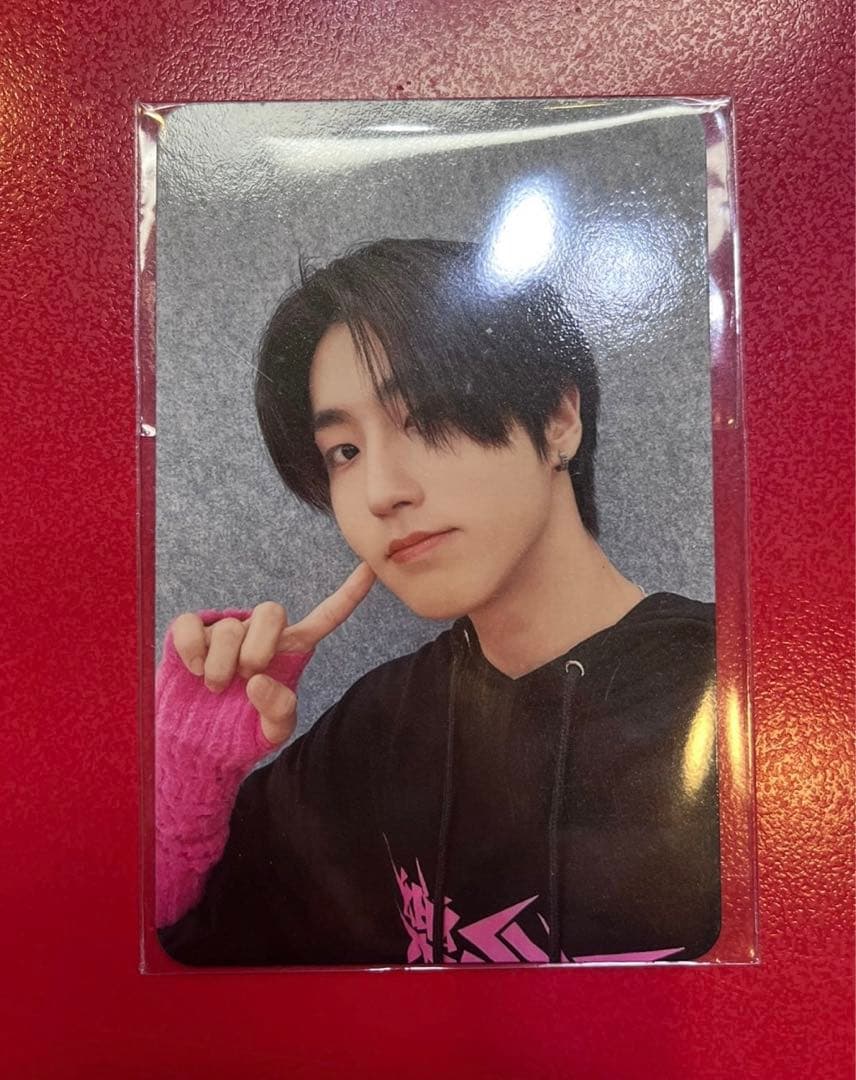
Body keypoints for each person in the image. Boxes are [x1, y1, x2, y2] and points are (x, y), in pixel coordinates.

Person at [155, 238, 720, 967]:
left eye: (423, 417)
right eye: (344, 452)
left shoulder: (752, 700)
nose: (381, 491)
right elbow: (173, 955)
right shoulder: (379, 732)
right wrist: (191, 778)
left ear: (557, 417)